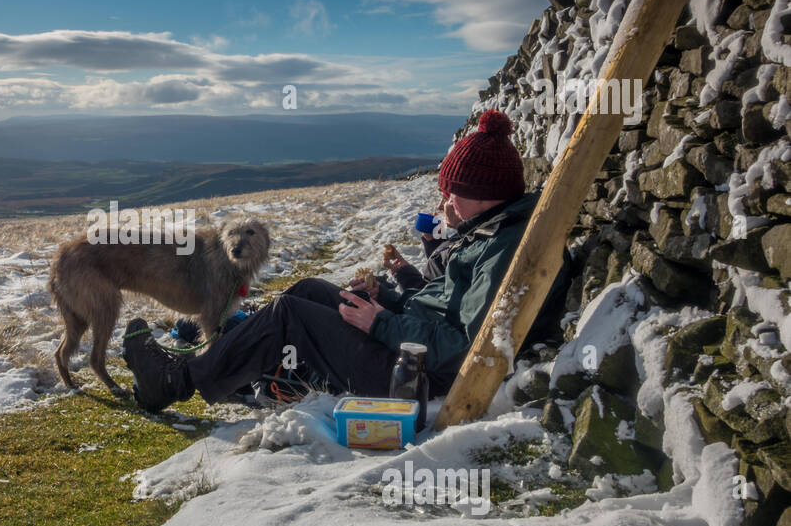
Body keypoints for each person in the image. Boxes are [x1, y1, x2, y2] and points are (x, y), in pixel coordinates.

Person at [122, 109, 571, 413]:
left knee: (289, 314)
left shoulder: (505, 249)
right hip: (407, 352)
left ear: (479, 194)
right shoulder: (490, 231)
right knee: (307, 290)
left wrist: (380, 324)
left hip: (415, 378)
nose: (443, 201)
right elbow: (441, 305)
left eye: (451, 190)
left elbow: (464, 347)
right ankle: (236, 371)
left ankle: (174, 383)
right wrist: (387, 300)